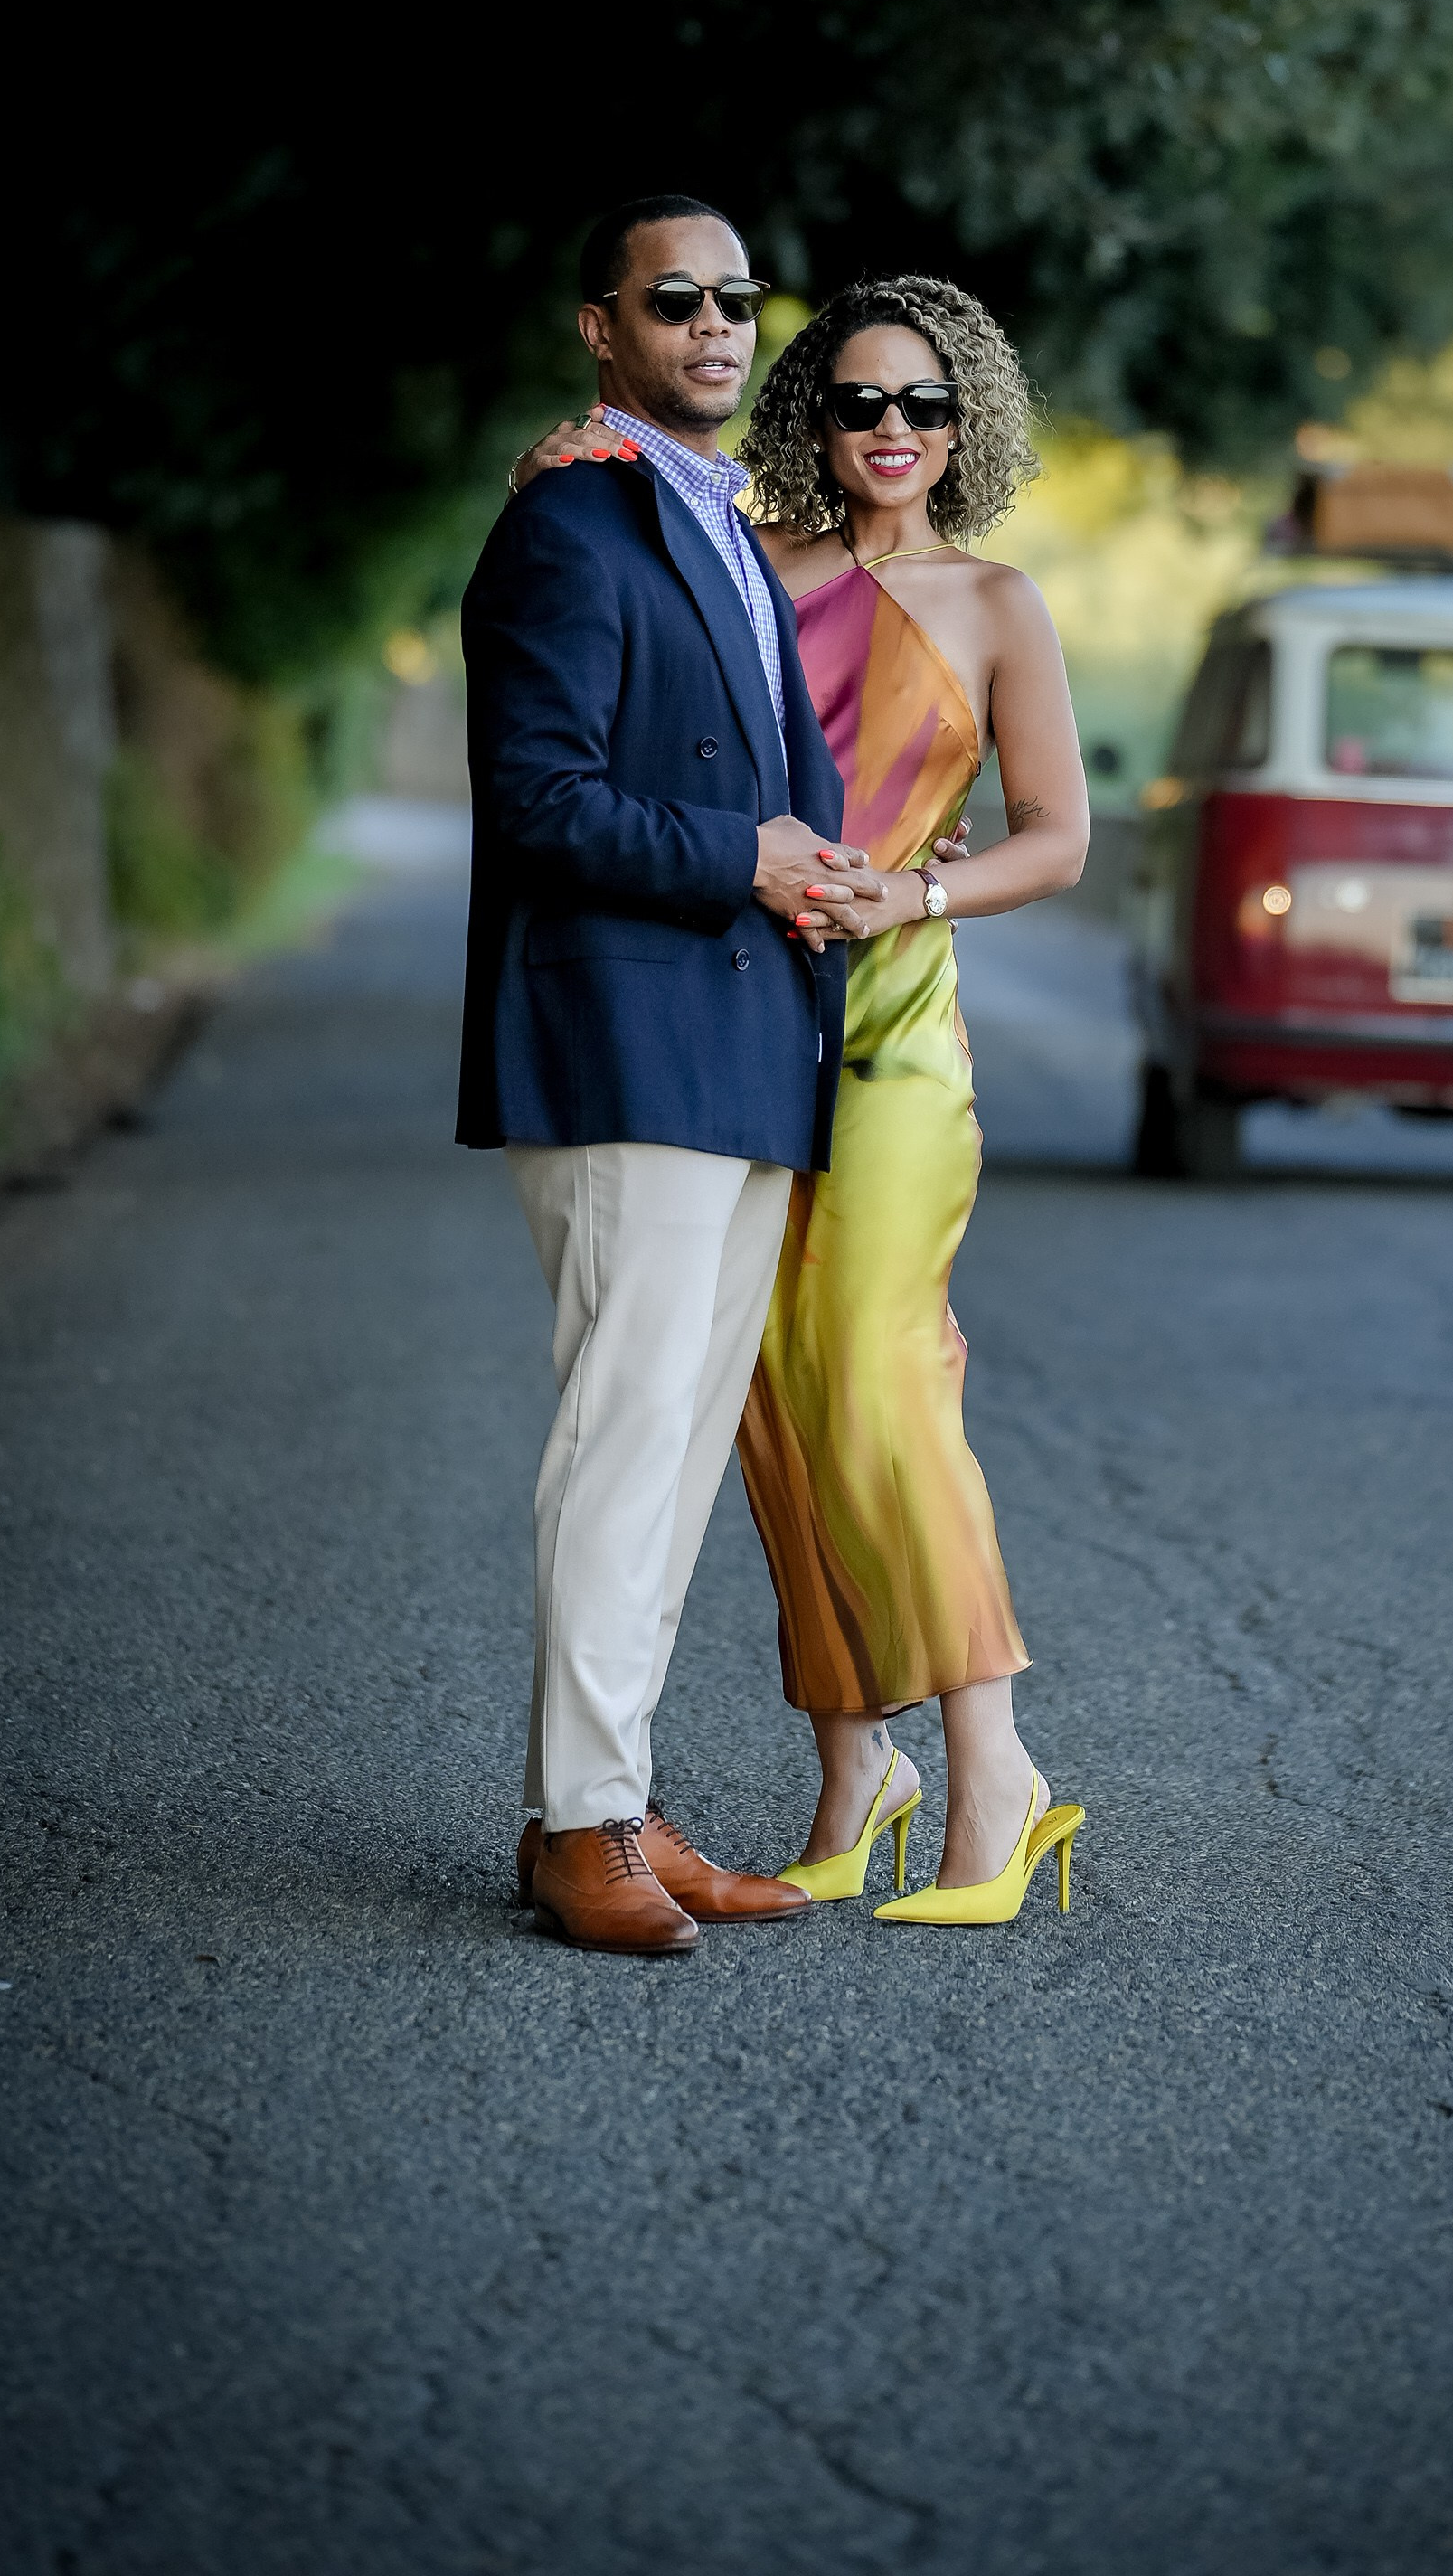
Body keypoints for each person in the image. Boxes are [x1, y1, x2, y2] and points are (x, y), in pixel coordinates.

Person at [514, 275, 1090, 1924]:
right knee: (762, 1387)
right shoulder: (747, 566)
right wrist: (559, 465)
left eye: (924, 403)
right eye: (858, 401)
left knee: (885, 1374)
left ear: (965, 423)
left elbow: (1059, 839)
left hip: (896, 1026)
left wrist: (917, 893)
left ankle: (996, 1777)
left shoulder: (997, 604)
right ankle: (856, 1770)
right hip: (751, 1018)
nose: (892, 430)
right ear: (811, 420)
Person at [458, 192, 886, 1957]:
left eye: (736, 299)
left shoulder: (717, 521)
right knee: (624, 1442)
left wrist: (828, 875)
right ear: (603, 329)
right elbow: (538, 802)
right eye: (673, 300)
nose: (715, 325)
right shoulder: (570, 519)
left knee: (679, 1456)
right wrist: (748, 858)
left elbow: (765, 774)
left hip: (742, 1043)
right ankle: (580, 1829)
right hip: (626, 1040)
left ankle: (614, 1799)